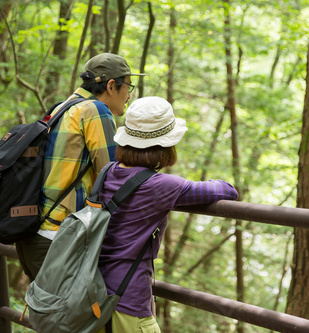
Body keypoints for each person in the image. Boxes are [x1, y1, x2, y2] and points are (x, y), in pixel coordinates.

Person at [97, 96, 238, 333]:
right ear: (165, 145)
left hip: (93, 293)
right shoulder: (162, 185)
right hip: (127, 301)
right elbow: (228, 191)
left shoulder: (107, 171)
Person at [16, 53, 145, 281]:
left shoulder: (61, 107)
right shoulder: (95, 110)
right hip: (59, 237)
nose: (129, 95)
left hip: (36, 231)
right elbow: (113, 175)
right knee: (80, 315)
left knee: (50, 314)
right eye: (129, 86)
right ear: (112, 85)